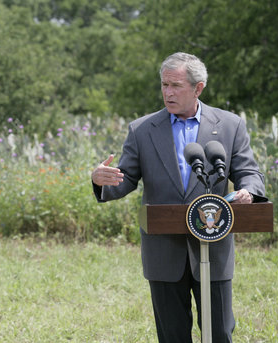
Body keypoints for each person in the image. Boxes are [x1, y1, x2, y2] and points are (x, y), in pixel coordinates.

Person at [91, 52, 265, 342]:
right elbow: (125, 179)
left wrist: (249, 190)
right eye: (164, 85)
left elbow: (249, 171)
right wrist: (101, 181)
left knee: (220, 333)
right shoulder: (142, 129)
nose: (168, 93)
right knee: (172, 336)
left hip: (214, 245)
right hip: (163, 251)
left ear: (198, 88)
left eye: (175, 86)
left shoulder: (230, 125)